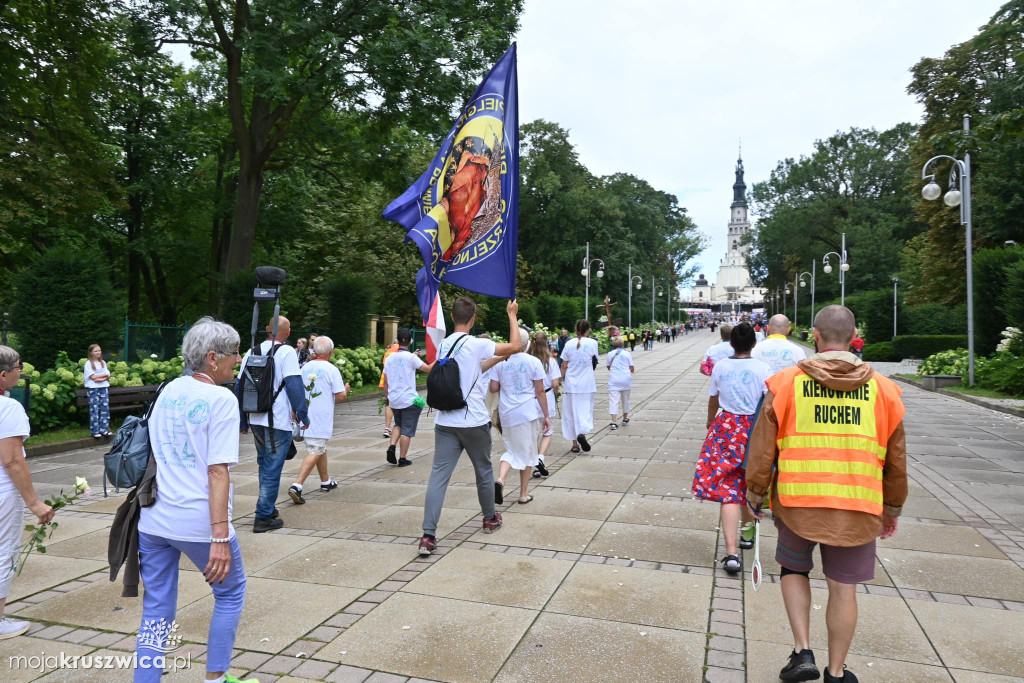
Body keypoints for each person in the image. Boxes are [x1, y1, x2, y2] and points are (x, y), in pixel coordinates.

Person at [746, 305, 907, 683]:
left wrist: (755, 494)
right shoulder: (885, 391)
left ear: (815, 336)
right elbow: (896, 459)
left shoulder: (785, 384)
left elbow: (762, 448)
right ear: (854, 337)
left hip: (798, 501)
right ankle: (836, 672)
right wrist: (892, 509)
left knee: (792, 569)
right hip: (858, 504)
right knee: (843, 587)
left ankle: (802, 652)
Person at [136, 318, 255, 683]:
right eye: (234, 353)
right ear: (212, 357)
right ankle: (216, 679)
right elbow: (217, 472)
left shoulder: (168, 389)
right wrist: (220, 536)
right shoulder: (220, 398)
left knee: (156, 609)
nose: (239, 359)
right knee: (231, 593)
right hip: (198, 522)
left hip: (153, 519)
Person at [418, 298, 522, 555]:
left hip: (445, 422)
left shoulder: (444, 344)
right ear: (473, 318)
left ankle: (428, 536)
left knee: (438, 477)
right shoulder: (478, 343)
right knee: (484, 471)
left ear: (453, 317)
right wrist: (511, 314)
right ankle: (489, 519)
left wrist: (497, 360)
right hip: (473, 421)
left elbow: (472, 369)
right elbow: (517, 345)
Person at [691, 322, 769, 575]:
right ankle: (748, 534)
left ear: (731, 343)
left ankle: (731, 552)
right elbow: (769, 403)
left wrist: (709, 420)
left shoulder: (721, 366)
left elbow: (714, 397)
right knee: (750, 482)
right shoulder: (763, 368)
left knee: (728, 489)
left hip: (726, 426)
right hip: (753, 429)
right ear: (755, 344)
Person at [0, 346, 54, 640]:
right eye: (19, 367)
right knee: (3, 550)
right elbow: (11, 459)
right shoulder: (8, 408)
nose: (21, 372)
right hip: (2, 493)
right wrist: (34, 503)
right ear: (4, 374)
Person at [237, 315, 308, 533]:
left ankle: (267, 507)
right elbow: (295, 385)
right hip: (277, 420)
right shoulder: (286, 351)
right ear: (287, 333)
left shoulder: (252, 351)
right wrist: (303, 415)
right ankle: (263, 517)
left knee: (265, 464)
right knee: (272, 468)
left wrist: (243, 420)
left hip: (255, 417)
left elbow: (240, 386)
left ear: (268, 329)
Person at [490, 328, 551, 505]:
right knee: (528, 452)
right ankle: (523, 494)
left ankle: (500, 480)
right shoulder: (533, 361)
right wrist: (546, 415)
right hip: (527, 413)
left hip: (507, 413)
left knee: (511, 450)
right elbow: (540, 391)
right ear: (525, 344)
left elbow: (493, 388)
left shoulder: (501, 362)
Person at [287, 336, 349, 504]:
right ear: (331, 352)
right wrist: (346, 389)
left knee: (320, 447)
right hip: (321, 416)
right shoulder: (331, 369)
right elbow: (341, 396)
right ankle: (297, 485)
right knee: (315, 449)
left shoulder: (305, 367)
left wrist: (293, 411)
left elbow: (295, 390)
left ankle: (325, 481)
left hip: (305, 413)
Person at [382, 329, 431, 467]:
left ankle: (392, 446)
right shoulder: (411, 357)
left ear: (397, 340)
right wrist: (438, 361)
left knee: (398, 424)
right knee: (407, 430)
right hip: (409, 400)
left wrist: (387, 397)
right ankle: (402, 458)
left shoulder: (390, 357)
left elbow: (385, 381)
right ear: (410, 342)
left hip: (394, 400)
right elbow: (427, 369)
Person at [560, 319, 599, 453]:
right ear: (588, 330)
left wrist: (559, 379)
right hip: (587, 383)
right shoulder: (593, 343)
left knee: (570, 413)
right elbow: (595, 359)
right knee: (585, 410)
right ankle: (582, 433)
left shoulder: (569, 343)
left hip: (572, 383)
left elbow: (564, 364)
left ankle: (575, 444)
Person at [528, 330, 558, 478]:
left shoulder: (528, 359)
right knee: (547, 432)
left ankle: (534, 461)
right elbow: (555, 383)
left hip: (531, 398)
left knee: (534, 432)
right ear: (547, 342)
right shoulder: (551, 361)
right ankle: (540, 458)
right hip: (547, 396)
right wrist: (556, 392)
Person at [84, 344, 113, 438]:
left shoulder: (103, 363)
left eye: (99, 350)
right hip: (93, 389)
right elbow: (93, 377)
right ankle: (95, 430)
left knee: (104, 408)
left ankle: (104, 429)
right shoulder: (88, 364)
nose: (98, 352)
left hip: (103, 387)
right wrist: (103, 376)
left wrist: (102, 379)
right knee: (95, 409)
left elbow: (108, 374)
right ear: (91, 353)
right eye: (96, 351)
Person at [606, 336, 634, 430]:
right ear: (622, 344)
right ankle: (625, 418)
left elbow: (608, 367)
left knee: (613, 401)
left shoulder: (610, 354)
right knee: (625, 399)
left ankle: (613, 422)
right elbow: (632, 368)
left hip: (614, 379)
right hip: (625, 379)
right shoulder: (627, 354)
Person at [379, 340, 400, 438]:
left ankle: (387, 428)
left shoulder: (389, 350)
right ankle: (400, 426)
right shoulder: (399, 349)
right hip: (396, 378)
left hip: (387, 377)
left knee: (389, 403)